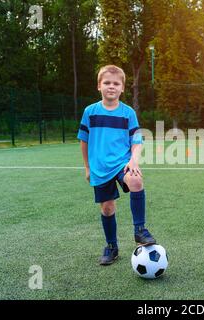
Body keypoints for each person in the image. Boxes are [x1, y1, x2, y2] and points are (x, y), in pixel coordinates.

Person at [77, 65, 156, 266]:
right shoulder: (90, 112)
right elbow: (83, 141)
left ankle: (140, 230)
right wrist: (87, 167)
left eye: (116, 83)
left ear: (122, 88)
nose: (111, 87)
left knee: (136, 179)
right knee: (107, 207)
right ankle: (112, 247)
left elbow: (136, 140)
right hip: (99, 167)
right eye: (107, 83)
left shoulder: (128, 113)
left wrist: (133, 161)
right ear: (99, 86)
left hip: (122, 162)